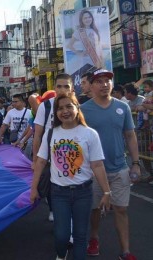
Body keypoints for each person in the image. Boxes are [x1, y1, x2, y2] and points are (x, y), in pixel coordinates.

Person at [30, 92, 111, 260]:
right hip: (59, 193)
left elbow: (97, 165)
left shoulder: (89, 134)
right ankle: (61, 254)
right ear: (56, 112)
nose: (64, 111)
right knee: (61, 236)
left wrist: (106, 192)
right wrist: (33, 189)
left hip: (83, 193)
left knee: (81, 237)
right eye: (60, 108)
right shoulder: (51, 133)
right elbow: (40, 162)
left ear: (77, 108)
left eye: (69, 106)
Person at [81, 68, 140, 260]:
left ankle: (125, 251)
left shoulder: (122, 107)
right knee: (95, 209)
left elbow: (130, 135)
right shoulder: (84, 110)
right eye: (99, 81)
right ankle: (94, 237)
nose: (104, 84)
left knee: (121, 209)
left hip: (120, 168)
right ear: (91, 85)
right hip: (94, 171)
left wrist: (136, 163)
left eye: (107, 81)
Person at [32, 73, 74, 222]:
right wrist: (35, 159)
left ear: (72, 88)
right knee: (52, 185)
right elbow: (37, 134)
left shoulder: (77, 105)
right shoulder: (46, 105)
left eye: (66, 86)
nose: (62, 89)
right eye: (59, 86)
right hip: (49, 155)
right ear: (54, 87)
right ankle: (53, 209)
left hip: (72, 154)